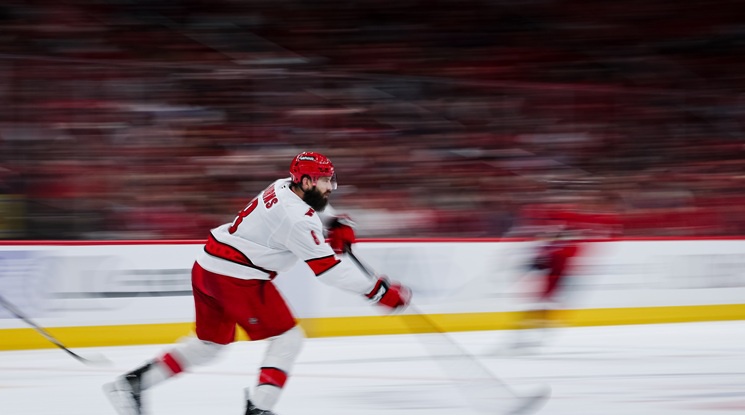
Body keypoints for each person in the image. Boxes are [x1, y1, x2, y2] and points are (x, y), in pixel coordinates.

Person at [103, 151, 411, 415]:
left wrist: (335, 223)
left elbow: (314, 209)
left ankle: (130, 385)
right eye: (325, 181)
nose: (330, 186)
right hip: (237, 278)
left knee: (208, 346)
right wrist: (377, 291)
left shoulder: (283, 185)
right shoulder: (297, 220)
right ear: (306, 182)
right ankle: (259, 409)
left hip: (208, 267)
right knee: (287, 339)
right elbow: (328, 270)